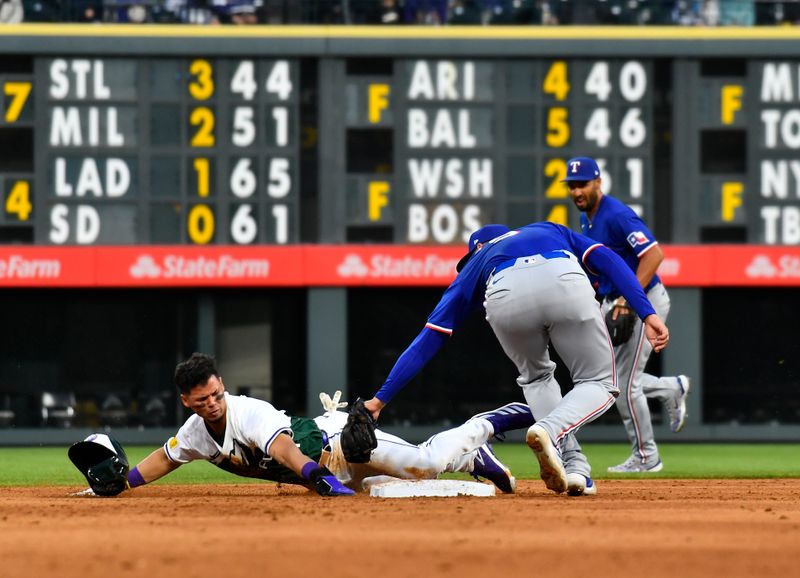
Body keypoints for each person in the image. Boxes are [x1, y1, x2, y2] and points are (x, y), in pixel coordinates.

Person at [362, 221, 670, 495]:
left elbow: (430, 336)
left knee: (536, 378)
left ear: (478, 249)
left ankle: (576, 467)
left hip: (503, 293)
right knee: (599, 380)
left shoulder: (476, 263)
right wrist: (647, 311)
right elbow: (608, 259)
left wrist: (379, 401)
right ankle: (556, 441)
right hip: (562, 277)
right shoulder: (549, 229)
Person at [124, 353, 531, 496]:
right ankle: (472, 461)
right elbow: (165, 457)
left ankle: (486, 425)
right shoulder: (196, 431)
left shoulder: (246, 411)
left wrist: (315, 474)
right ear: (187, 402)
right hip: (328, 472)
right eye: (202, 400)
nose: (212, 404)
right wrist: (118, 484)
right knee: (388, 487)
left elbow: (282, 448)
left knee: (423, 466)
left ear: (222, 386)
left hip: (336, 444)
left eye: (215, 394)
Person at [564, 156, 691, 473]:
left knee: (626, 385)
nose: (577, 191)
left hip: (644, 302)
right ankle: (670, 387)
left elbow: (654, 255)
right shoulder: (587, 219)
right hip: (618, 302)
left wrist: (624, 297)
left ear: (598, 183)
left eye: (582, 184)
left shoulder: (617, 215)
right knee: (615, 380)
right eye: (572, 186)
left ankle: (647, 457)